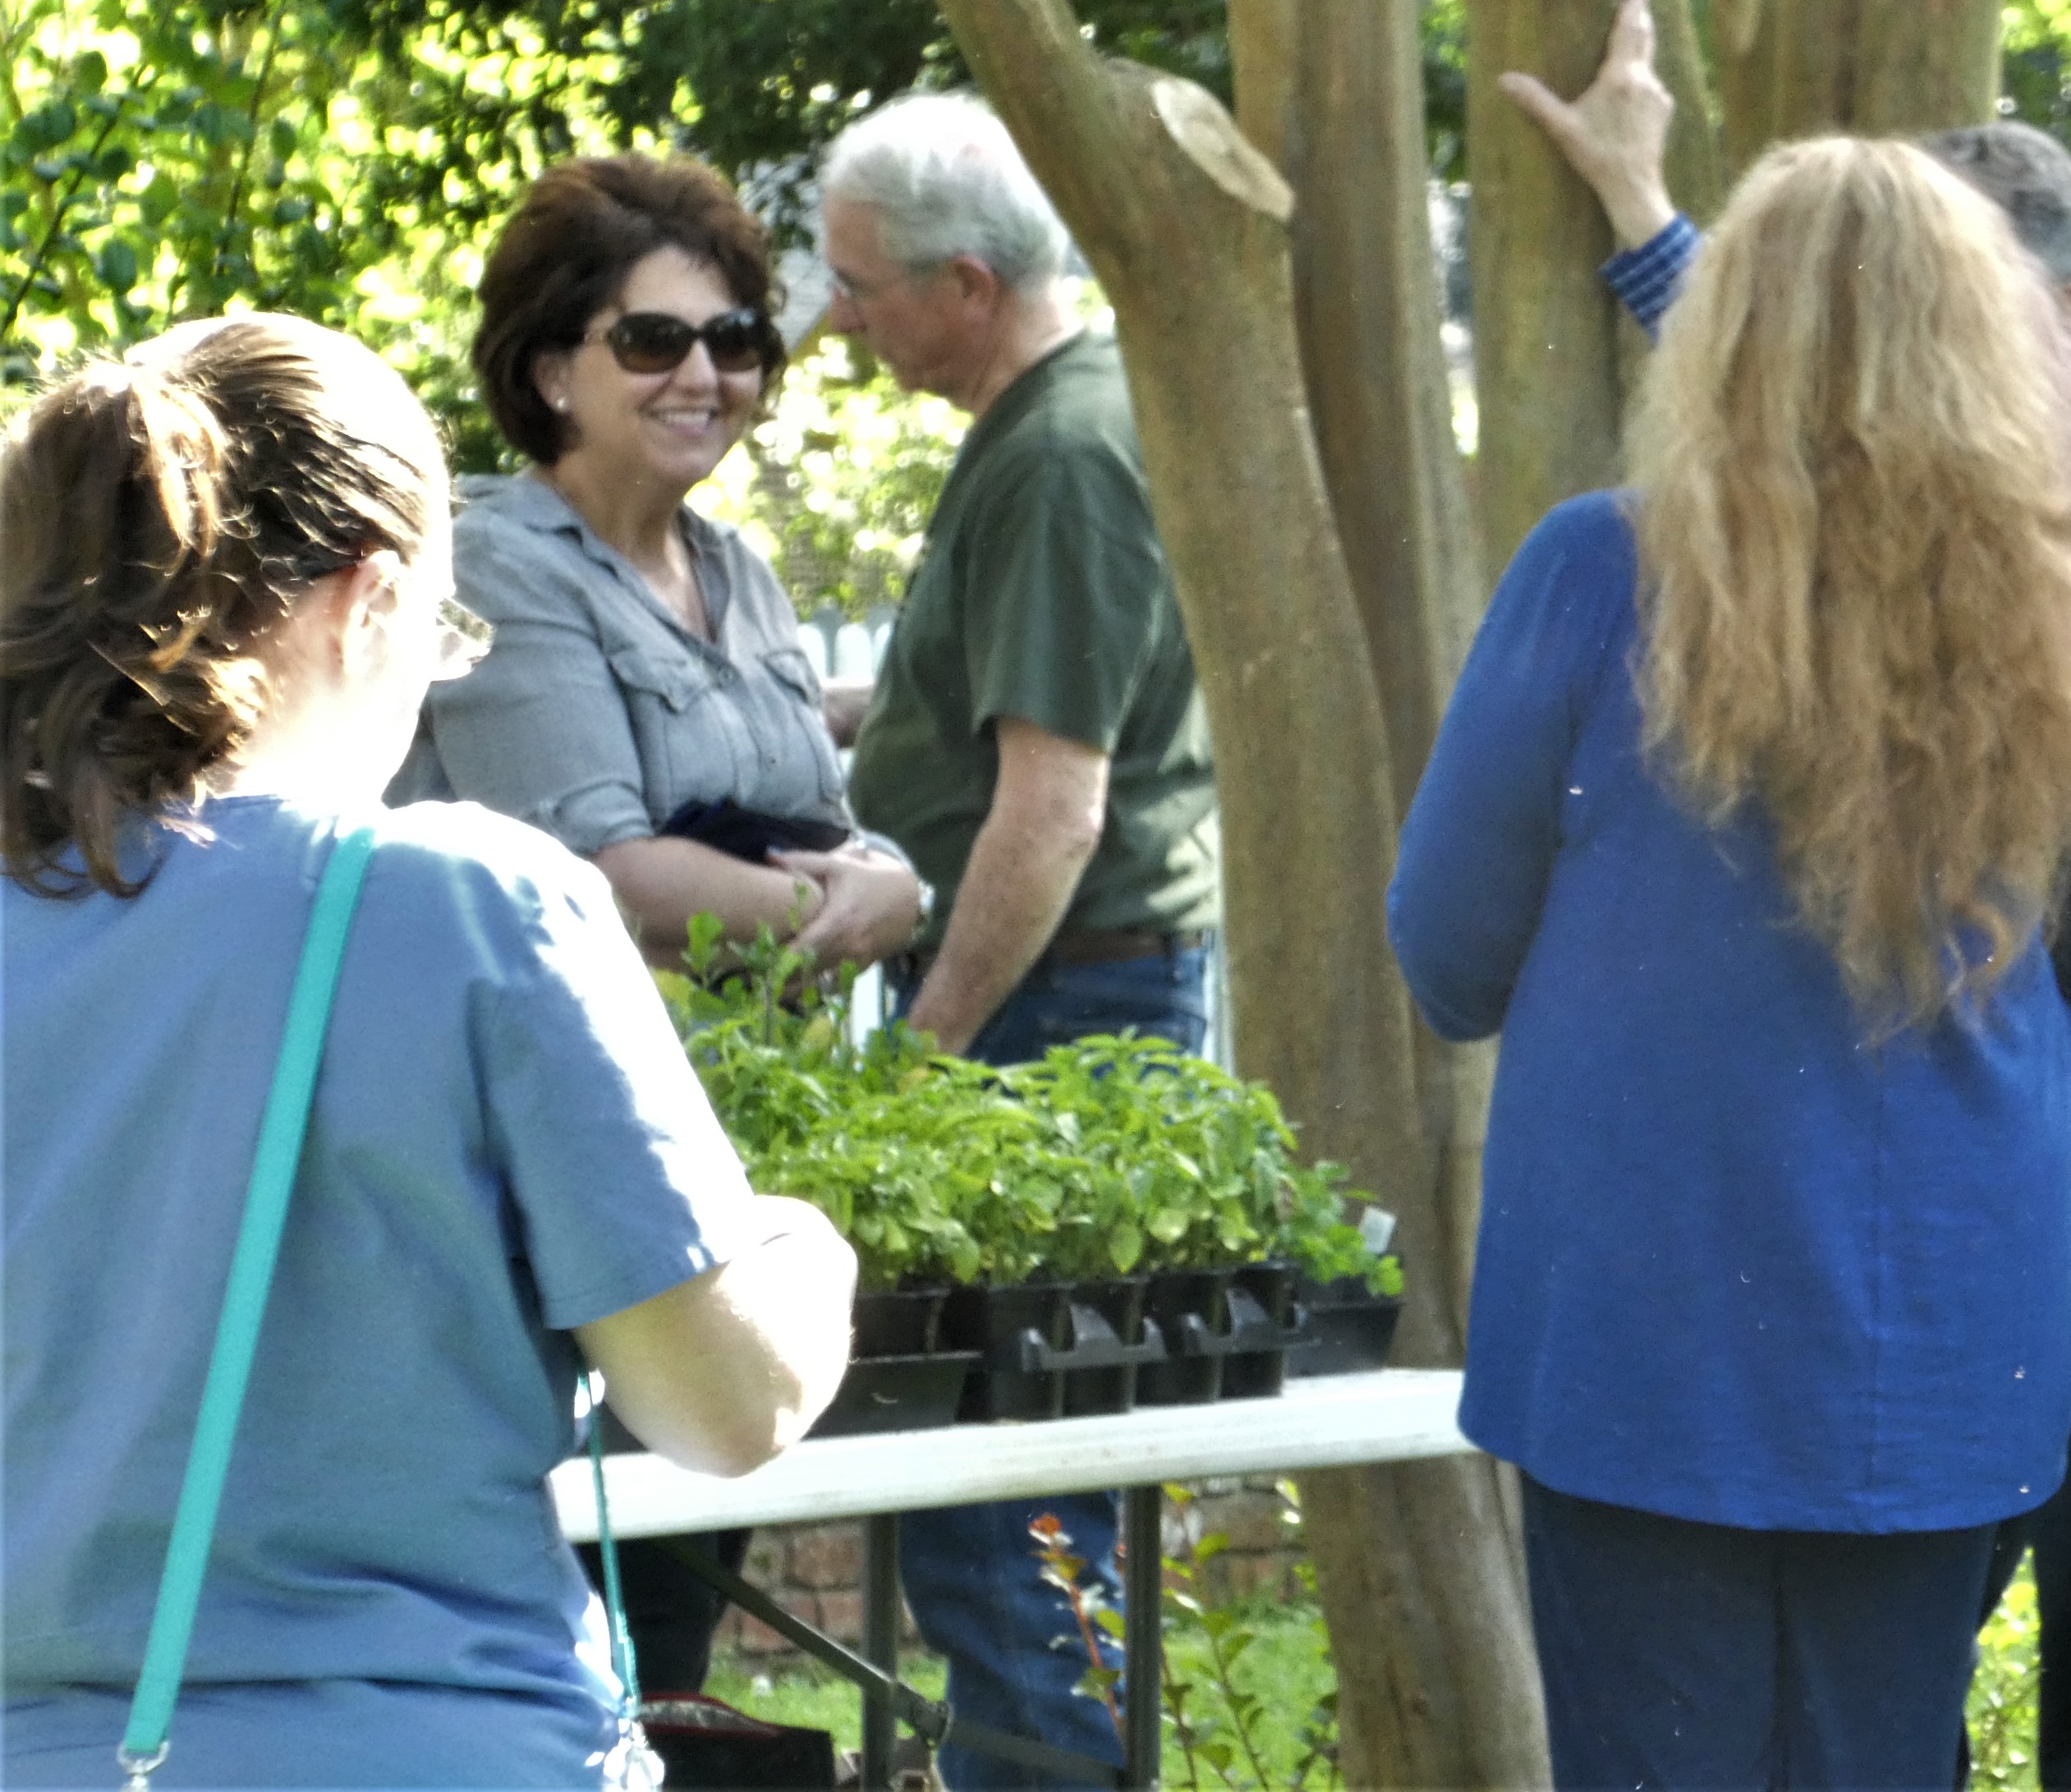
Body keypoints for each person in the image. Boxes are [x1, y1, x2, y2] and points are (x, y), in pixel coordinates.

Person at [1506, 0, 2071, 1785]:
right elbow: (1805, 377)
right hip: (1990, 1141)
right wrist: (1651, 220)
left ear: (2068, 314)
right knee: (1902, 1688)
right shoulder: (1928, 520)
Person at [1390, 134, 2071, 1790]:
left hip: (1645, 1324)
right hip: (1946, 1320)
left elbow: (1447, 952)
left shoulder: (1599, 570)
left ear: (1723, 329)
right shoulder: (2059, 598)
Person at [0, 315, 856, 1787]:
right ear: (372, 599)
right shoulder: (459, 903)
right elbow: (726, 1409)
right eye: (450, 634)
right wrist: (807, 1256)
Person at [403, 153, 920, 1694]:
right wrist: (850, 914)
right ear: (554, 366)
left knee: (688, 1592)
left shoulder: (741, 571)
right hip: (564, 1153)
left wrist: (891, 877)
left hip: (746, 1135)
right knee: (588, 1598)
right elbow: (603, 875)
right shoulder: (497, 561)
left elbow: (822, 818)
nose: (705, 372)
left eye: (737, 339)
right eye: (654, 340)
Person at [820, 92, 1220, 1789]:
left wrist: (926, 1055)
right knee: (1025, 1513)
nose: (839, 320)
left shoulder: (1061, 456)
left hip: (1057, 1010)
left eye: (859, 287)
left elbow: (1049, 810)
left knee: (1007, 1515)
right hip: (1075, 996)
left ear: (965, 283)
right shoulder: (1065, 416)